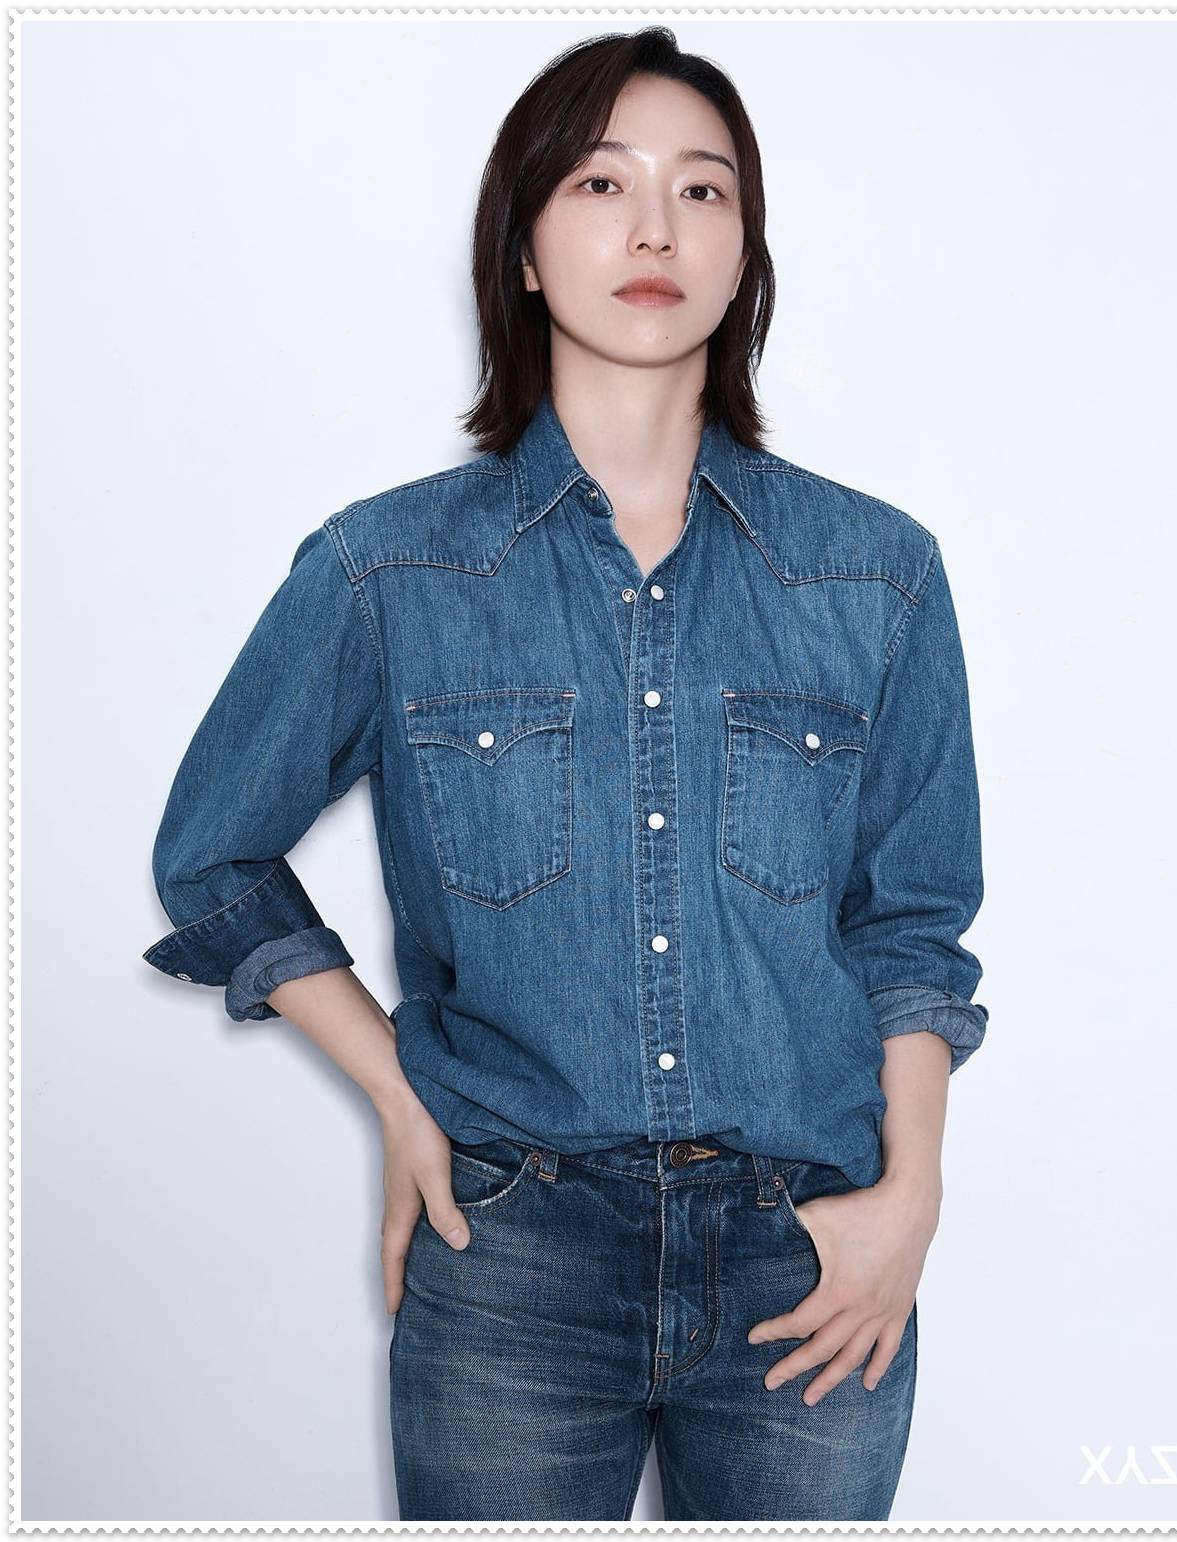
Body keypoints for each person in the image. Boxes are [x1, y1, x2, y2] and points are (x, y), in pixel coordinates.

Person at [141, 26, 989, 1524]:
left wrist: (908, 1201)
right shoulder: (389, 569)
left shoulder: (878, 574)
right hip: (511, 1256)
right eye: (602, 183)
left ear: (744, 253)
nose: (655, 229)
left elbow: (909, 926)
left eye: (702, 191)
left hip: (811, 1261)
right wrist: (400, 1094)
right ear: (523, 248)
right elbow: (214, 852)